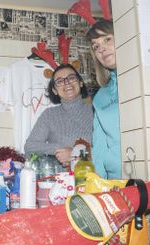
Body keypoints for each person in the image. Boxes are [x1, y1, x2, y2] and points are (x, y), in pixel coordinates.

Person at [24, 64, 93, 166]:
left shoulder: (96, 111)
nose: (67, 83)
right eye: (60, 81)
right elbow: (30, 147)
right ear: (54, 90)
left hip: (94, 178)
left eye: (71, 78)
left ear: (81, 82)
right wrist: (59, 150)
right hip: (61, 179)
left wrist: (75, 154)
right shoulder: (49, 115)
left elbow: (108, 149)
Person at [86, 20, 121, 179]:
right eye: (96, 46)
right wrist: (98, 186)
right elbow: (99, 148)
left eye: (107, 39)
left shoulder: (141, 82)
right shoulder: (100, 98)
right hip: (115, 183)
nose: (101, 49)